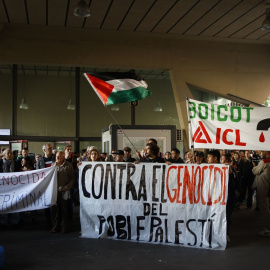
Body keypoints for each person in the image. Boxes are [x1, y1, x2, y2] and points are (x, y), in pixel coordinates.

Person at [51, 151, 74, 234]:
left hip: (64, 191)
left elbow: (72, 179)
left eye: (60, 156)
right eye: (56, 156)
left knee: (64, 209)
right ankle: (55, 225)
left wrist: (67, 187)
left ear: (63, 157)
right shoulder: (52, 165)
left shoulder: (68, 166)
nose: (57, 158)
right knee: (54, 210)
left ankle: (64, 226)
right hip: (54, 191)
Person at [36, 143, 55, 227]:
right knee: (46, 204)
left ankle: (55, 221)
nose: (51, 149)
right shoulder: (40, 160)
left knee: (54, 204)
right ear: (44, 150)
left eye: (51, 148)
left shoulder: (55, 158)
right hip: (45, 185)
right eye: (49, 148)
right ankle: (48, 222)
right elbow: (37, 172)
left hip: (54, 183)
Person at [0, 149, 20, 229]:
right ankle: (3, 221)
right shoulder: (0, 163)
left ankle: (15, 221)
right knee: (4, 204)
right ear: (4, 155)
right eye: (8, 153)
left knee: (15, 204)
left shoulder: (17, 163)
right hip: (3, 188)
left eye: (11, 153)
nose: (10, 154)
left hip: (15, 187)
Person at [252, 151, 270, 236]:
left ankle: (268, 228)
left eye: (263, 151)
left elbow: (255, 171)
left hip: (263, 186)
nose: (261, 152)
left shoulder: (265, 162)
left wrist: (254, 167)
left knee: (264, 207)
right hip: (268, 186)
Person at [220, 153, 237, 243]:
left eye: (222, 159)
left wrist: (229, 169)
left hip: (228, 197)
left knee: (226, 216)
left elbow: (234, 181)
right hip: (220, 197)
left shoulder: (231, 168)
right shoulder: (217, 167)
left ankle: (226, 233)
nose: (221, 161)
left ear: (226, 160)